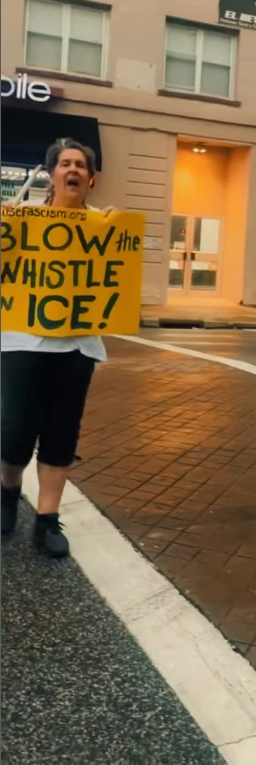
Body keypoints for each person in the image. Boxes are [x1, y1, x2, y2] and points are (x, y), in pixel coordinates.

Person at [1, 139, 115, 558]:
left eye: (80, 165)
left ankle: (47, 519)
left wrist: (117, 234)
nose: (73, 169)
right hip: (18, 341)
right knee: (14, 429)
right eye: (65, 163)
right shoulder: (22, 218)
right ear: (53, 174)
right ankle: (8, 492)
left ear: (90, 178)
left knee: (61, 431)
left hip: (77, 348)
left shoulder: (103, 226)